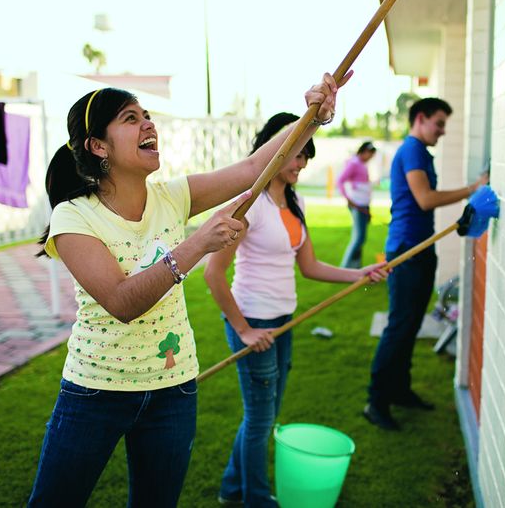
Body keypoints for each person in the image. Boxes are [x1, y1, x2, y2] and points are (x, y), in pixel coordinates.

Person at [28, 73, 345, 507]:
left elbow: (255, 168)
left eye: (147, 115)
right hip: (96, 390)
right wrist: (197, 243)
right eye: (130, 118)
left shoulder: (171, 197)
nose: (147, 125)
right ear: (98, 147)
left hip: (173, 388)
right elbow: (122, 303)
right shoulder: (73, 217)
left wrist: (313, 116)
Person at [204, 113, 388, 507]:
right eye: (298, 154)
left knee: (263, 415)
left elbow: (310, 266)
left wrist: (359, 273)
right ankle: (255, 497)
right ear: (278, 147)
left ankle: (232, 488)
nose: (303, 164)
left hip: (283, 321)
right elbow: (213, 273)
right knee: (259, 419)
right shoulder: (248, 205)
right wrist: (244, 329)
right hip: (254, 321)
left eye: (307, 156)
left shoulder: (295, 200)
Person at [364, 98, 488, 431]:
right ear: (420, 119)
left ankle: (400, 391)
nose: (443, 131)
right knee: (399, 326)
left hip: (421, 248)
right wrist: (473, 188)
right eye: (439, 123)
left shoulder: (419, 151)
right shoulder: (412, 151)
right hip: (406, 250)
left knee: (410, 324)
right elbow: (425, 199)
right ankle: (375, 402)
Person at [336, 140, 376, 268]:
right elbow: (340, 181)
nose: (371, 158)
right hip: (357, 205)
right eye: (370, 154)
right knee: (358, 238)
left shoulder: (362, 164)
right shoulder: (354, 163)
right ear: (364, 152)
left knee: (360, 238)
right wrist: (347, 198)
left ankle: (356, 267)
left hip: (363, 204)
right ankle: (345, 267)